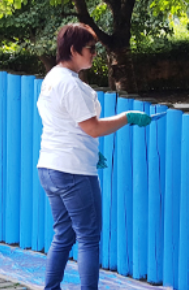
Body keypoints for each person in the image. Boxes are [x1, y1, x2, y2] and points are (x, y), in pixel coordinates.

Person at [37, 23, 151, 290]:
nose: (94, 54)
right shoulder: (70, 84)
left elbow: (67, 124)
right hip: (73, 170)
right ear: (74, 50)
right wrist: (127, 117)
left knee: (63, 235)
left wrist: (91, 150)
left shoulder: (52, 78)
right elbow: (91, 127)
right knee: (88, 237)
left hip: (50, 167)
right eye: (91, 49)